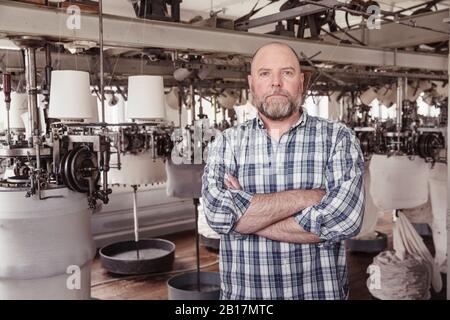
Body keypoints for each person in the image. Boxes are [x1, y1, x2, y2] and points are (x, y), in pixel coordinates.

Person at [201, 42, 365, 300]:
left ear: (301, 82)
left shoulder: (338, 138)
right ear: (251, 83)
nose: (276, 83)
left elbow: (344, 220)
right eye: (265, 73)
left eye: (286, 73)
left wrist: (246, 219)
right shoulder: (226, 142)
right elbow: (218, 216)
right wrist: (308, 197)